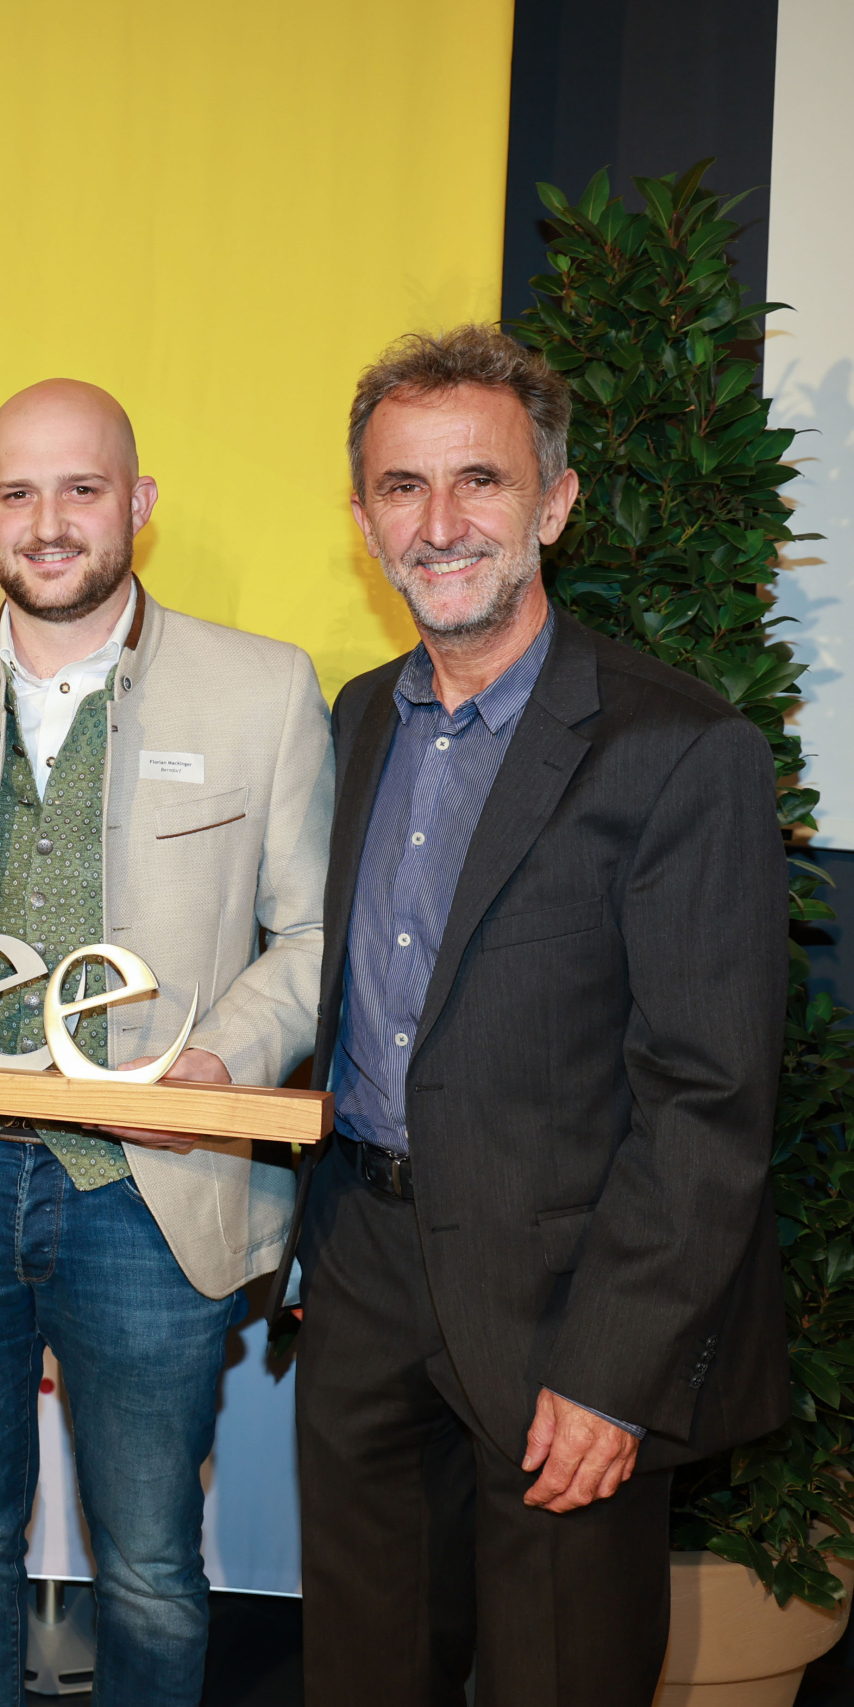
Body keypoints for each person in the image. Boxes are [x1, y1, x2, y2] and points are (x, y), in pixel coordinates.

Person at [289, 326, 788, 1705]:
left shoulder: (679, 749)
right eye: (402, 487)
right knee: (363, 1673)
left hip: (565, 1305)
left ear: (555, 504)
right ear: (364, 521)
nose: (440, 523)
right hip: (363, 1268)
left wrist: (617, 1368)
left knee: (560, 1677)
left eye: (481, 481)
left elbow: (710, 1100)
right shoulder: (355, 723)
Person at [0, 379, 332, 1705]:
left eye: (80, 489)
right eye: (17, 492)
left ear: (138, 503)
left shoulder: (265, 688)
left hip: (149, 1190)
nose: (47, 521)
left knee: (153, 1564)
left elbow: (310, 935)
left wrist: (220, 1064)